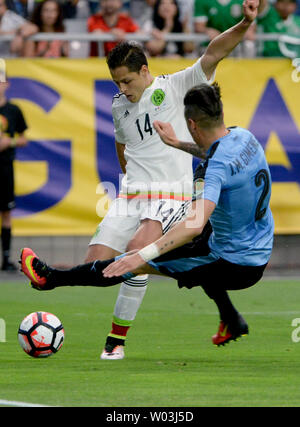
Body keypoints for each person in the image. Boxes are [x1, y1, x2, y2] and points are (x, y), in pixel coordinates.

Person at [23, 0, 266, 360]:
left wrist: (245, 23)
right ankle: (226, 315)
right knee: (101, 263)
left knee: (137, 252)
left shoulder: (174, 86)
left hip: (172, 195)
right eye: (116, 82)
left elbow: (214, 53)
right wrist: (128, 180)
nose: (123, 88)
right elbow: (123, 145)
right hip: (132, 195)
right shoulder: (119, 104)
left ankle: (115, 341)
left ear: (145, 70)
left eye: (127, 80)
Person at [0, 79, 28, 270]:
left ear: (6, 84)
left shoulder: (13, 110)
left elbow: (23, 138)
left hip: (4, 167)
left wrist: (8, 142)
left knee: (6, 212)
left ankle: (6, 259)